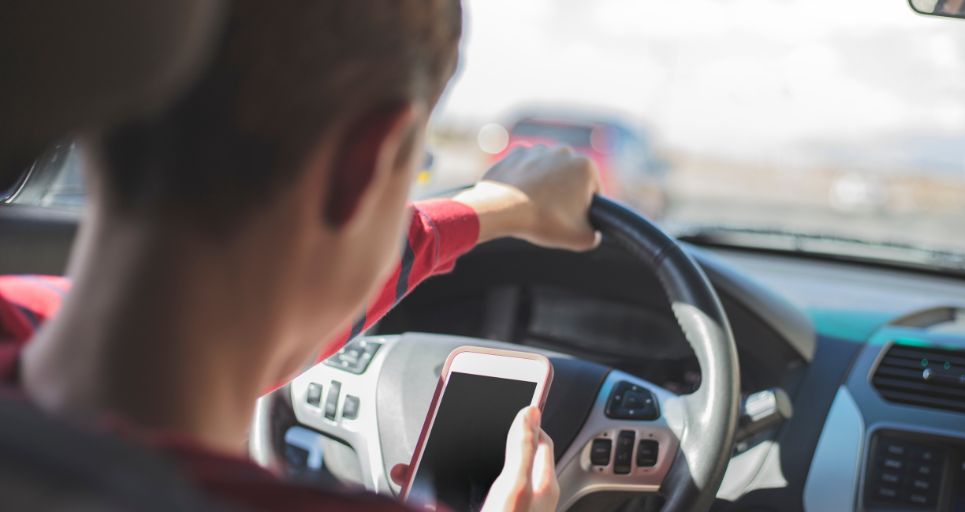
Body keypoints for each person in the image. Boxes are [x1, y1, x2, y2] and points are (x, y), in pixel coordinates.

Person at [0, 1, 601, 511]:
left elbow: (219, 319)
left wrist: (491, 209)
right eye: (411, 168)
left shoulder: (18, 315)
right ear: (365, 167)